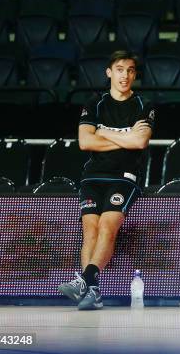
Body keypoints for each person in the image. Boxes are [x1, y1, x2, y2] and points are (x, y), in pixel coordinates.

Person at [58, 50, 154, 310]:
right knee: (90, 230)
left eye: (131, 70)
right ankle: (93, 292)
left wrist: (103, 131)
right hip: (92, 175)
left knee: (107, 227)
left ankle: (84, 281)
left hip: (125, 177)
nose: (125, 75)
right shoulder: (94, 103)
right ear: (109, 72)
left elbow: (140, 142)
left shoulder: (144, 105)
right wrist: (124, 138)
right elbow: (85, 141)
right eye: (120, 69)